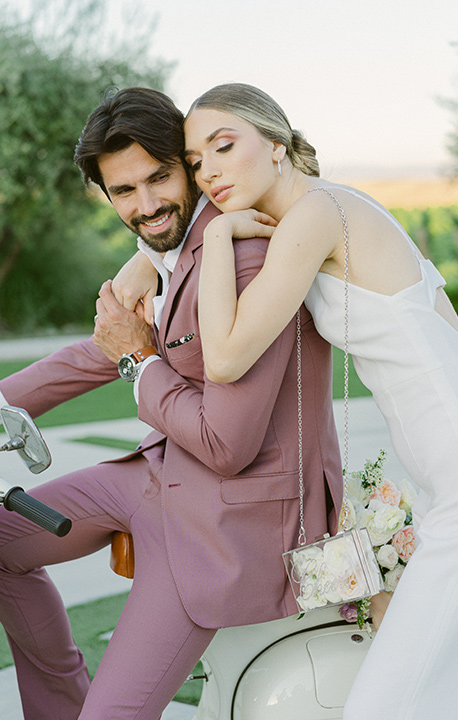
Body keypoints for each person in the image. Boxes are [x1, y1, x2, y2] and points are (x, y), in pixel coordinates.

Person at [116, 83, 458, 720]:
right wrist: (147, 257)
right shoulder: (337, 209)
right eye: (198, 162)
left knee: (391, 697)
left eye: (225, 146)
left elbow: (225, 357)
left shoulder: (314, 216)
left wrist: (222, 237)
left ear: (278, 143)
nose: (211, 171)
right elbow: (446, 326)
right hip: (449, 469)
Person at [0, 86, 343, 720]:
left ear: (188, 165)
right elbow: (108, 345)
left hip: (221, 518)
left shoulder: (244, 257)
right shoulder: (177, 249)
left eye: (159, 178)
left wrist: (139, 359)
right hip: (158, 477)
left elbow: (226, 444)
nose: (147, 204)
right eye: (123, 192)